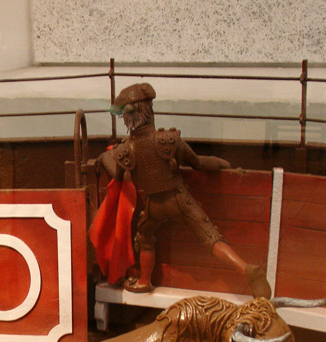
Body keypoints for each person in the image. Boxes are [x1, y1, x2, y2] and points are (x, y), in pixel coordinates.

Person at [94, 82, 271, 298]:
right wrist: (224, 164)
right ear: (148, 110)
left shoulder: (124, 150)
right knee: (211, 238)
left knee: (145, 236)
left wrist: (104, 157)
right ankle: (245, 269)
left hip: (154, 206)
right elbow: (198, 163)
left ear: (128, 117)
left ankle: (144, 281)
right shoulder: (168, 140)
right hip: (179, 199)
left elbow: (118, 176)